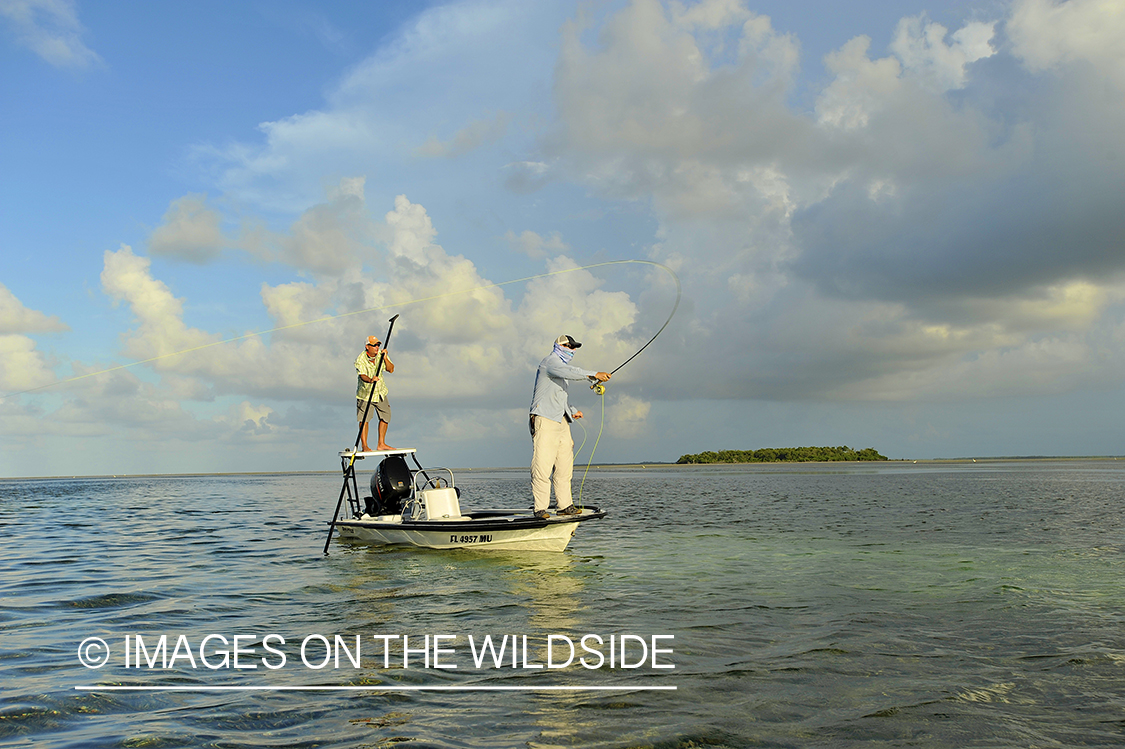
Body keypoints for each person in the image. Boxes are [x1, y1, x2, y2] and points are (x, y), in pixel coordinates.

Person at [529, 334, 611, 519]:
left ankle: (564, 506)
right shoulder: (550, 362)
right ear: (559, 346)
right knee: (542, 465)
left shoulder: (561, 370)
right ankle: (540, 509)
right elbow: (570, 372)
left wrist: (572, 410)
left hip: (562, 420)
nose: (572, 350)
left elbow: (558, 396)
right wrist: (593, 374)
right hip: (544, 418)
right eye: (569, 346)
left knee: (564, 466)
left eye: (574, 347)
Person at [355, 335, 395, 452]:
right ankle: (365, 446)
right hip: (365, 394)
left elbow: (391, 369)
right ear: (367, 347)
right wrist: (370, 380)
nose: (377, 347)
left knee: (386, 416)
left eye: (378, 345)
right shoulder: (360, 359)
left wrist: (385, 358)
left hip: (380, 392)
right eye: (374, 345)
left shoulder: (381, 356)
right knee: (364, 420)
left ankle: (381, 443)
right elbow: (362, 376)